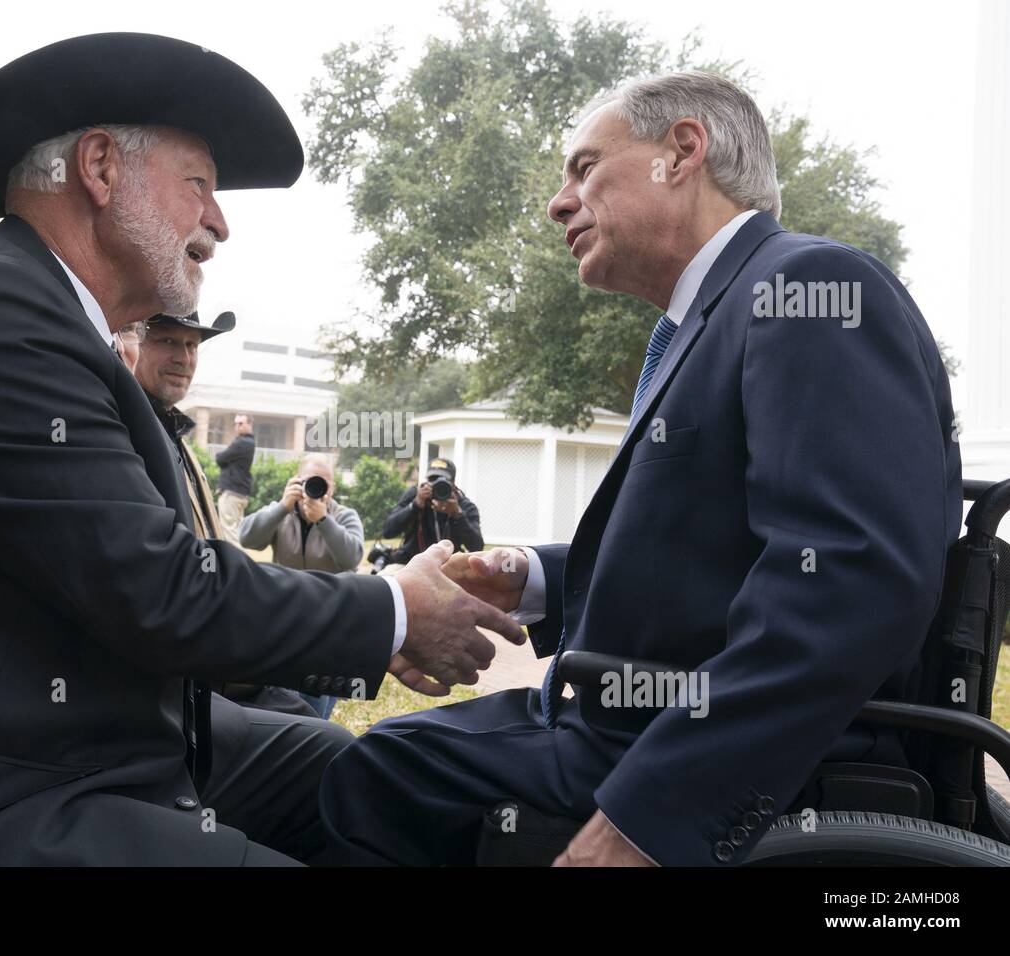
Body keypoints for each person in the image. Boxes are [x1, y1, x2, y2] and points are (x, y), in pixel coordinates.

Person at [0, 33, 521, 867]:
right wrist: (392, 607)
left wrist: (380, 623)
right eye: (201, 187)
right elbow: (157, 587)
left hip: (71, 733)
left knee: (404, 782)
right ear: (100, 169)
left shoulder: (44, 314)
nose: (218, 222)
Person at [319, 70, 961, 867]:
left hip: (703, 758)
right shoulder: (712, 319)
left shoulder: (808, 289)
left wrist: (654, 819)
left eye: (584, 168)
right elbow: (709, 566)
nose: (558, 202)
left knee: (369, 780)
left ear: (682, 152)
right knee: (363, 760)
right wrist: (525, 578)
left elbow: (851, 581)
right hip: (624, 721)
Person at [126, 310, 334, 721]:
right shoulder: (129, 435)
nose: (183, 357)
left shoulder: (175, 438)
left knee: (324, 680)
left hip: (216, 646)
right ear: (132, 343)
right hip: (179, 681)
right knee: (323, 739)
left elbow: (218, 553)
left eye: (192, 345)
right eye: (167, 341)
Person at [240, 453, 366, 718]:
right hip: (286, 615)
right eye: (310, 480)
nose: (317, 488)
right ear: (297, 480)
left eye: (324, 482)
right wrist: (282, 506)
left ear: (333, 487)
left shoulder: (344, 515)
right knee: (284, 696)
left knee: (315, 706)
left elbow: (352, 557)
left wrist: (323, 520)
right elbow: (247, 537)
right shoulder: (282, 511)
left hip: (332, 619)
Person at [381, 457, 483, 566]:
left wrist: (457, 514)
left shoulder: (463, 505)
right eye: (432, 480)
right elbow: (388, 531)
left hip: (448, 566)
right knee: (385, 578)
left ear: (453, 483)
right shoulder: (415, 495)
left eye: (442, 481)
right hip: (410, 563)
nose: (436, 485)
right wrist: (415, 505)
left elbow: (476, 546)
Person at [216, 413, 255, 541]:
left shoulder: (242, 442)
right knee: (237, 533)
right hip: (239, 493)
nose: (237, 427)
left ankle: (239, 561)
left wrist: (223, 458)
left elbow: (220, 458)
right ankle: (241, 560)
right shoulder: (248, 442)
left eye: (241, 423)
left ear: (250, 424)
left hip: (232, 494)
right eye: (235, 424)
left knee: (229, 533)